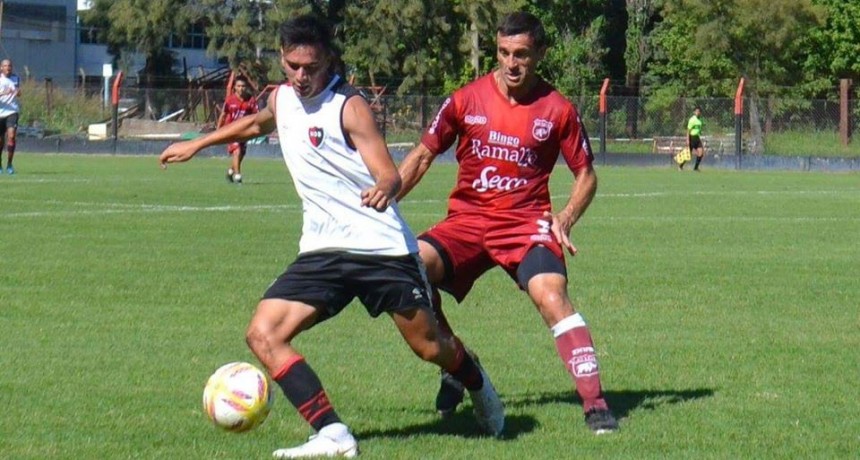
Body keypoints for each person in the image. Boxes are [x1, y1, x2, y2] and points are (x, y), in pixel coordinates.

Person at [158, 14, 504, 459]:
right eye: (293, 66)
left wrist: (385, 186)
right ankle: (333, 433)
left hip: (380, 248)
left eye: (312, 67)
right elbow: (256, 124)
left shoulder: (349, 105)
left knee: (429, 346)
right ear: (282, 60)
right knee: (263, 334)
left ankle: (475, 379)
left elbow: (386, 172)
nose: (302, 76)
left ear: (328, 61)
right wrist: (197, 143)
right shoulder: (282, 97)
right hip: (323, 249)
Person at [396, 11, 619, 434]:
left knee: (551, 296)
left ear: (540, 54)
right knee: (411, 270)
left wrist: (566, 216)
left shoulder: (558, 110)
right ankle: (457, 361)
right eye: (502, 53)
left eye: (521, 54)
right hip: (467, 221)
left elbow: (586, 175)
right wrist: (385, 199)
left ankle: (595, 403)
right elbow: (424, 154)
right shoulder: (465, 99)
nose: (511, 63)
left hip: (525, 225)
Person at [217, 76, 259, 183]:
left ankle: (231, 171)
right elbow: (223, 114)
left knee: (241, 154)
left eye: (243, 86)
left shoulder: (251, 100)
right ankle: (237, 176)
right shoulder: (230, 100)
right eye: (238, 86)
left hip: (244, 131)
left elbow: (257, 116)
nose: (241, 89)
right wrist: (218, 130)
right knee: (237, 150)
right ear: (235, 87)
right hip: (231, 130)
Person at [0, 59, 21, 175]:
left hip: (12, 112)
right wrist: (4, 93)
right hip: (0, 112)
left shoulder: (15, 78)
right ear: (1, 68)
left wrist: (18, 92)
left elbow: (18, 92)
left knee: (11, 136)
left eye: (9, 66)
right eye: (5, 65)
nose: (8, 67)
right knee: (0, 140)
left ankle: (9, 164)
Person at [681, 106, 704, 171]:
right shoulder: (692, 119)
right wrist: (687, 139)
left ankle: (695, 168)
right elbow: (688, 130)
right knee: (688, 154)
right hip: (692, 138)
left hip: (697, 137)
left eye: (699, 111)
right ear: (694, 112)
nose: (698, 112)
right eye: (696, 111)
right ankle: (680, 166)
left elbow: (698, 130)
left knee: (701, 153)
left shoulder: (700, 120)